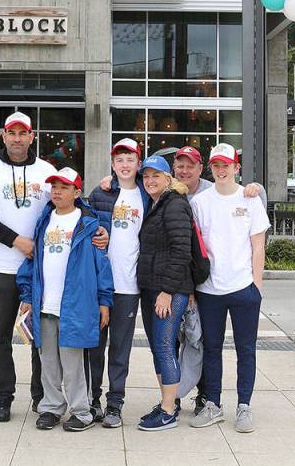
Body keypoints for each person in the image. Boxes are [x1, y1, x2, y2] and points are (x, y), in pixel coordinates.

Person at [0, 111, 110, 422]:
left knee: (40, 339)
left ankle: (42, 397)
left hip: (41, 270)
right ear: (3, 136)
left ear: (32, 136)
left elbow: (67, 202)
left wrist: (97, 227)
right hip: (2, 266)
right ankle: (2, 397)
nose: (18, 139)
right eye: (12, 133)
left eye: (24, 133)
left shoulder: (46, 170)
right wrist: (16, 241)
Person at [17, 167, 114, 432]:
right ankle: (51, 407)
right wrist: (27, 295)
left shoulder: (89, 224)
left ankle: (82, 411)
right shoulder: (44, 221)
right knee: (48, 361)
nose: (57, 192)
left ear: (77, 192)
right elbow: (33, 260)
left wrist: (104, 301)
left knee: (73, 363)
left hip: (75, 306)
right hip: (45, 304)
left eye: (64, 187)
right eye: (54, 187)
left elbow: (101, 266)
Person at [189, 143, 269, 433]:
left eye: (226, 165)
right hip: (210, 290)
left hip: (243, 288)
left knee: (245, 350)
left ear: (236, 167)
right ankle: (213, 404)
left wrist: (256, 286)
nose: (221, 170)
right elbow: (196, 246)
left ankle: (244, 406)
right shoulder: (200, 202)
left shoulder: (250, 199)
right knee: (211, 349)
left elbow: (258, 245)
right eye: (216, 165)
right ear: (210, 168)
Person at [86, 137, 148, 428]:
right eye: (119, 160)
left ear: (139, 163)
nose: (125, 165)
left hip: (129, 286)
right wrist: (98, 233)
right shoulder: (100, 193)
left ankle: (115, 404)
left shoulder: (147, 194)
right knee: (94, 347)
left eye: (130, 159)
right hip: (101, 285)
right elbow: (84, 226)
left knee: (120, 349)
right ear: (112, 164)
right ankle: (92, 400)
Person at [135, 155, 193, 432]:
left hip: (169, 289)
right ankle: (167, 402)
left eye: (155, 175)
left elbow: (182, 251)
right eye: (146, 176)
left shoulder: (174, 204)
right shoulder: (155, 203)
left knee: (164, 346)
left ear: (168, 178)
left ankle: (169, 411)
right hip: (151, 287)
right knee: (158, 348)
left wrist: (167, 291)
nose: (150, 180)